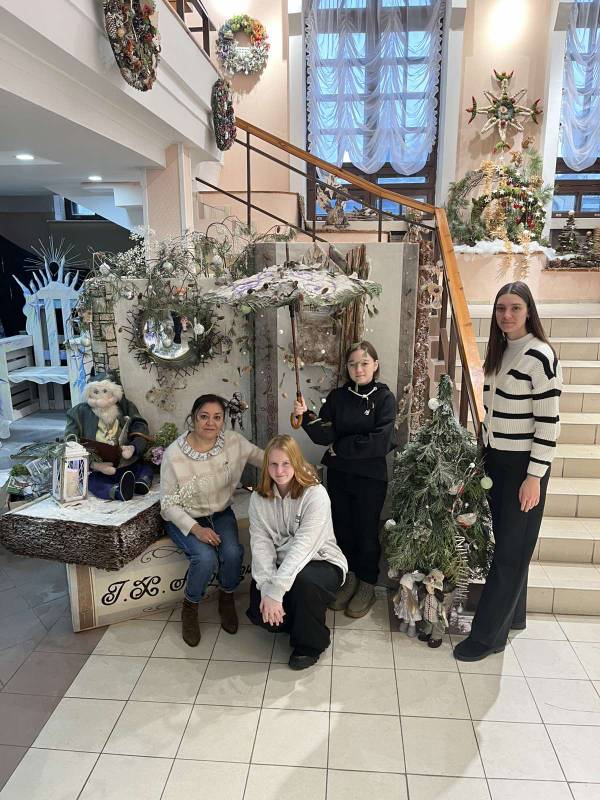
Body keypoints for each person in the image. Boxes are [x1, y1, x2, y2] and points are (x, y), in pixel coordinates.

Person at [454, 282, 562, 662]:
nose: (507, 315)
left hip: (523, 467)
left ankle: (487, 638)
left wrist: (534, 476)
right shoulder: (501, 351)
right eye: (501, 308)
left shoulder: (540, 355)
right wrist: (483, 454)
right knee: (508, 545)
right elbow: (492, 412)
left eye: (515, 307)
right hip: (497, 460)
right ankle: (513, 616)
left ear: (529, 311)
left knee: (510, 553)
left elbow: (549, 423)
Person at [294, 341, 396, 618]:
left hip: (370, 478)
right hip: (339, 475)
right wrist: (306, 417)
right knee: (341, 527)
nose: (358, 369)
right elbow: (325, 433)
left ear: (375, 365)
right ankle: (348, 577)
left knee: (366, 531)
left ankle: (366, 583)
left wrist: (342, 446)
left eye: (364, 363)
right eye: (352, 364)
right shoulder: (338, 397)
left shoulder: (384, 399)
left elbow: (381, 441)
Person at [160, 394, 263, 647]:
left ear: (223, 420)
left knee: (233, 553)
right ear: (193, 418)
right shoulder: (174, 454)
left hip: (220, 512)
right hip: (185, 517)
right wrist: (196, 529)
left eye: (217, 417)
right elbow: (168, 504)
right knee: (205, 558)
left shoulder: (233, 442)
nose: (210, 423)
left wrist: (295, 466)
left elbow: (264, 457)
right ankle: (190, 606)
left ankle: (226, 597)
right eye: (204, 416)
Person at [246, 435, 347, 670]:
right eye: (273, 464)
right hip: (283, 564)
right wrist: (267, 589)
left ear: (296, 462)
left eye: (286, 463)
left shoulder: (315, 494)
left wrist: (277, 591)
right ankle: (297, 615)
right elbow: (260, 545)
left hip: (321, 560)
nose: (279, 471)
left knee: (303, 583)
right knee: (263, 608)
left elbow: (304, 546)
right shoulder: (258, 499)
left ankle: (310, 645)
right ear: (266, 466)